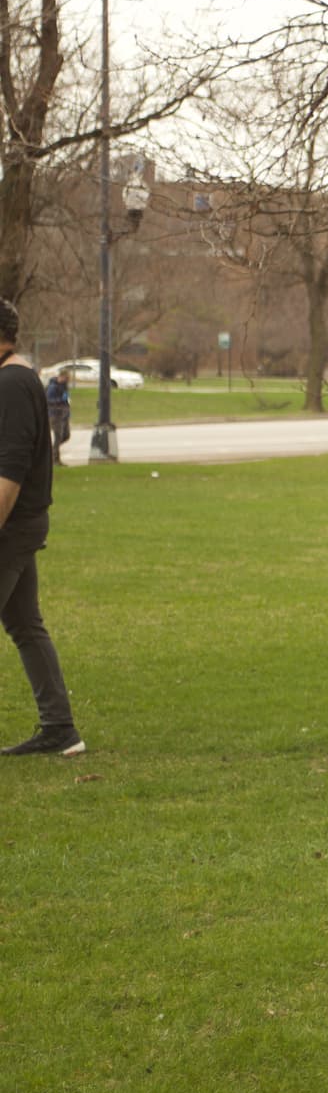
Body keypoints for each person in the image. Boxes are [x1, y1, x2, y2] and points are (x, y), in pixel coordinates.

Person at [0, 300, 85, 758]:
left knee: (25, 625)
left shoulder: (12, 383)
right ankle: (60, 730)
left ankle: (59, 728)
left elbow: (9, 469)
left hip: (11, 527)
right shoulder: (22, 377)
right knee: (24, 624)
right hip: (24, 525)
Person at [46, 368, 71, 464]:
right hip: (55, 415)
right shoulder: (53, 387)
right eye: (66, 378)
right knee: (58, 436)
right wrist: (61, 400)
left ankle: (52, 451)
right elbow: (49, 400)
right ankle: (55, 458)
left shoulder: (64, 386)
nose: (67, 380)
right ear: (62, 376)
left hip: (64, 414)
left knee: (66, 435)